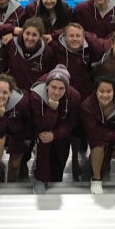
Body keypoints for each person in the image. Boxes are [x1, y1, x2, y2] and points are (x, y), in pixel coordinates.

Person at [28, 64, 81, 194]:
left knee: (60, 156)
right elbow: (39, 123)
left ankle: (56, 179)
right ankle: (40, 178)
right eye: (53, 87)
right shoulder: (36, 96)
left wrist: (56, 134)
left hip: (61, 131)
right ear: (47, 86)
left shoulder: (74, 97)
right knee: (44, 141)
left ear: (66, 88)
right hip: (43, 129)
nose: (56, 92)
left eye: (61, 88)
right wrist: (52, 109)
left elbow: (71, 122)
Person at [80, 76, 115, 194]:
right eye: (101, 91)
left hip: (113, 139)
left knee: (104, 167)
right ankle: (96, 179)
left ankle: (104, 164)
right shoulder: (87, 105)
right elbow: (93, 132)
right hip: (96, 139)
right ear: (96, 91)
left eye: (108, 91)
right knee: (98, 145)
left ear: (114, 92)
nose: (105, 95)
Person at [49, 22, 101, 96]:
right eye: (71, 36)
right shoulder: (55, 47)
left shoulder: (90, 49)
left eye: (78, 36)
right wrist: (53, 35)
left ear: (84, 37)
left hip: (82, 90)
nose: (75, 39)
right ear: (65, 37)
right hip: (59, 91)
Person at [6, 17, 54, 90]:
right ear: (22, 33)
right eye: (27, 33)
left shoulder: (47, 52)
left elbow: (47, 76)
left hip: (33, 92)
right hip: (13, 90)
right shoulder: (12, 44)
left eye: (34, 35)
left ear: (40, 36)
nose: (30, 38)